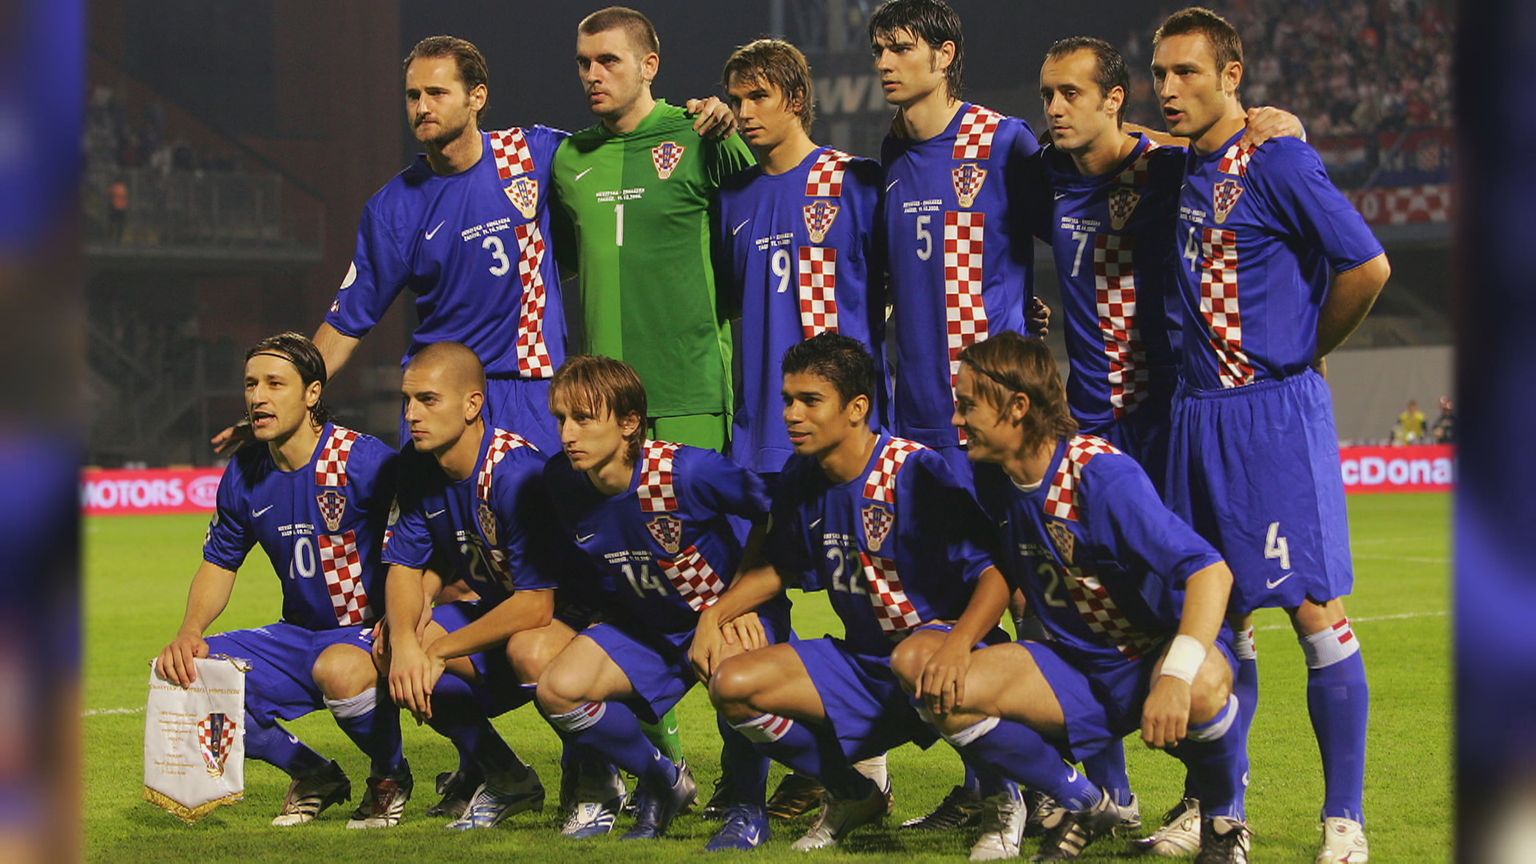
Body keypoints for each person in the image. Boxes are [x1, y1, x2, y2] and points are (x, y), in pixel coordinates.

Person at [1032, 37, 1301, 850]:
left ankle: (1216, 803)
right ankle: (1107, 794)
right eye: (1047, 94)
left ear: (1115, 99)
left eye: (1071, 93)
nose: (1054, 108)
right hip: (1088, 430)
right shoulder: (1044, 175)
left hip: (1170, 424)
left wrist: (1272, 126)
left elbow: (1229, 157)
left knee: (1209, 611)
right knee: (1077, 608)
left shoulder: (1168, 168)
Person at [1152, 8, 1391, 861]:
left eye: (1187, 71)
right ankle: (1219, 812)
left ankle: (1344, 823)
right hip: (1194, 417)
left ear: (1233, 75)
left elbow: (1368, 265)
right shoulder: (1179, 163)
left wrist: (1304, 346)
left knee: (1314, 610)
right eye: (1160, 73)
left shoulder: (1278, 158)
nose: (1169, 87)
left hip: (1272, 415)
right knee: (1218, 616)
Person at [890, 332, 1250, 862]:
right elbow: (1000, 567)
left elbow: (1209, 571)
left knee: (1198, 687)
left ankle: (1223, 823)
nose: (957, 419)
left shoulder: (1098, 473)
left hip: (1148, 656)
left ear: (1018, 406)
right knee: (927, 671)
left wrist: (1174, 675)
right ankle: (1083, 802)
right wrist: (958, 642)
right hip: (1076, 665)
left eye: (968, 405)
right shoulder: (993, 478)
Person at [693, 333, 1016, 854]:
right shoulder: (802, 475)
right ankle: (852, 792)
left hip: (943, 657)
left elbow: (995, 572)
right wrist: (714, 615)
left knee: (923, 657)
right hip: (866, 665)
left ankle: (1008, 801)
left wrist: (959, 645)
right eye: (788, 400)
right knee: (732, 683)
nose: (792, 415)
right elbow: (783, 567)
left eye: (810, 401)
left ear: (857, 408)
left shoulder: (915, 471)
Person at [155, 332, 409, 829]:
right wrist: (189, 631)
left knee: (339, 671)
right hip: (298, 634)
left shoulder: (362, 460)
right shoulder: (246, 471)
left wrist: (408, 622)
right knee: (189, 675)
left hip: (366, 633)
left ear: (312, 393)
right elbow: (219, 562)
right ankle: (314, 773)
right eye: (251, 384)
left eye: (275, 383)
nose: (258, 396)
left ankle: (390, 775)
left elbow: (420, 540)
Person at [534, 354, 789, 848]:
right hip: (648, 625)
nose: (567, 434)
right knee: (559, 689)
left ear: (630, 423)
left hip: (724, 615)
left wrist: (743, 600)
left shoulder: (686, 472)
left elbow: (774, 512)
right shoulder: (562, 481)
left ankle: (748, 810)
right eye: (561, 419)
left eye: (583, 419)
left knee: (735, 673)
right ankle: (663, 782)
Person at [375, 341, 579, 829]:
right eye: (408, 401)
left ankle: (595, 776)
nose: (411, 414)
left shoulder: (515, 472)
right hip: (503, 619)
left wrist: (439, 650)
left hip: (572, 621)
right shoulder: (419, 465)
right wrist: (406, 641)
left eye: (428, 400)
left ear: (472, 405)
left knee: (530, 650)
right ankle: (505, 775)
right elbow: (404, 565)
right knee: (389, 644)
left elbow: (537, 605)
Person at [553, 6, 756, 453]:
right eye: (584, 63)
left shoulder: (702, 134)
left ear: (649, 66)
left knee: (692, 502)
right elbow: (567, 260)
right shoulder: (569, 158)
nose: (592, 75)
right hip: (604, 399)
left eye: (608, 60)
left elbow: (757, 234)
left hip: (690, 391)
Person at [870, 0, 1042, 480]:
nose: (884, 63)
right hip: (915, 412)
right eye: (879, 51)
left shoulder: (1002, 141)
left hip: (993, 408)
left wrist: (1026, 305)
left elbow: (1065, 236)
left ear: (944, 55)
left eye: (901, 49)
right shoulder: (893, 151)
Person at [716, 37, 887, 478]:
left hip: (845, 428)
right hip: (761, 431)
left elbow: (900, 288)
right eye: (736, 100)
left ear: (795, 99)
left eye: (759, 96)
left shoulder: (854, 182)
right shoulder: (731, 199)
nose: (745, 113)